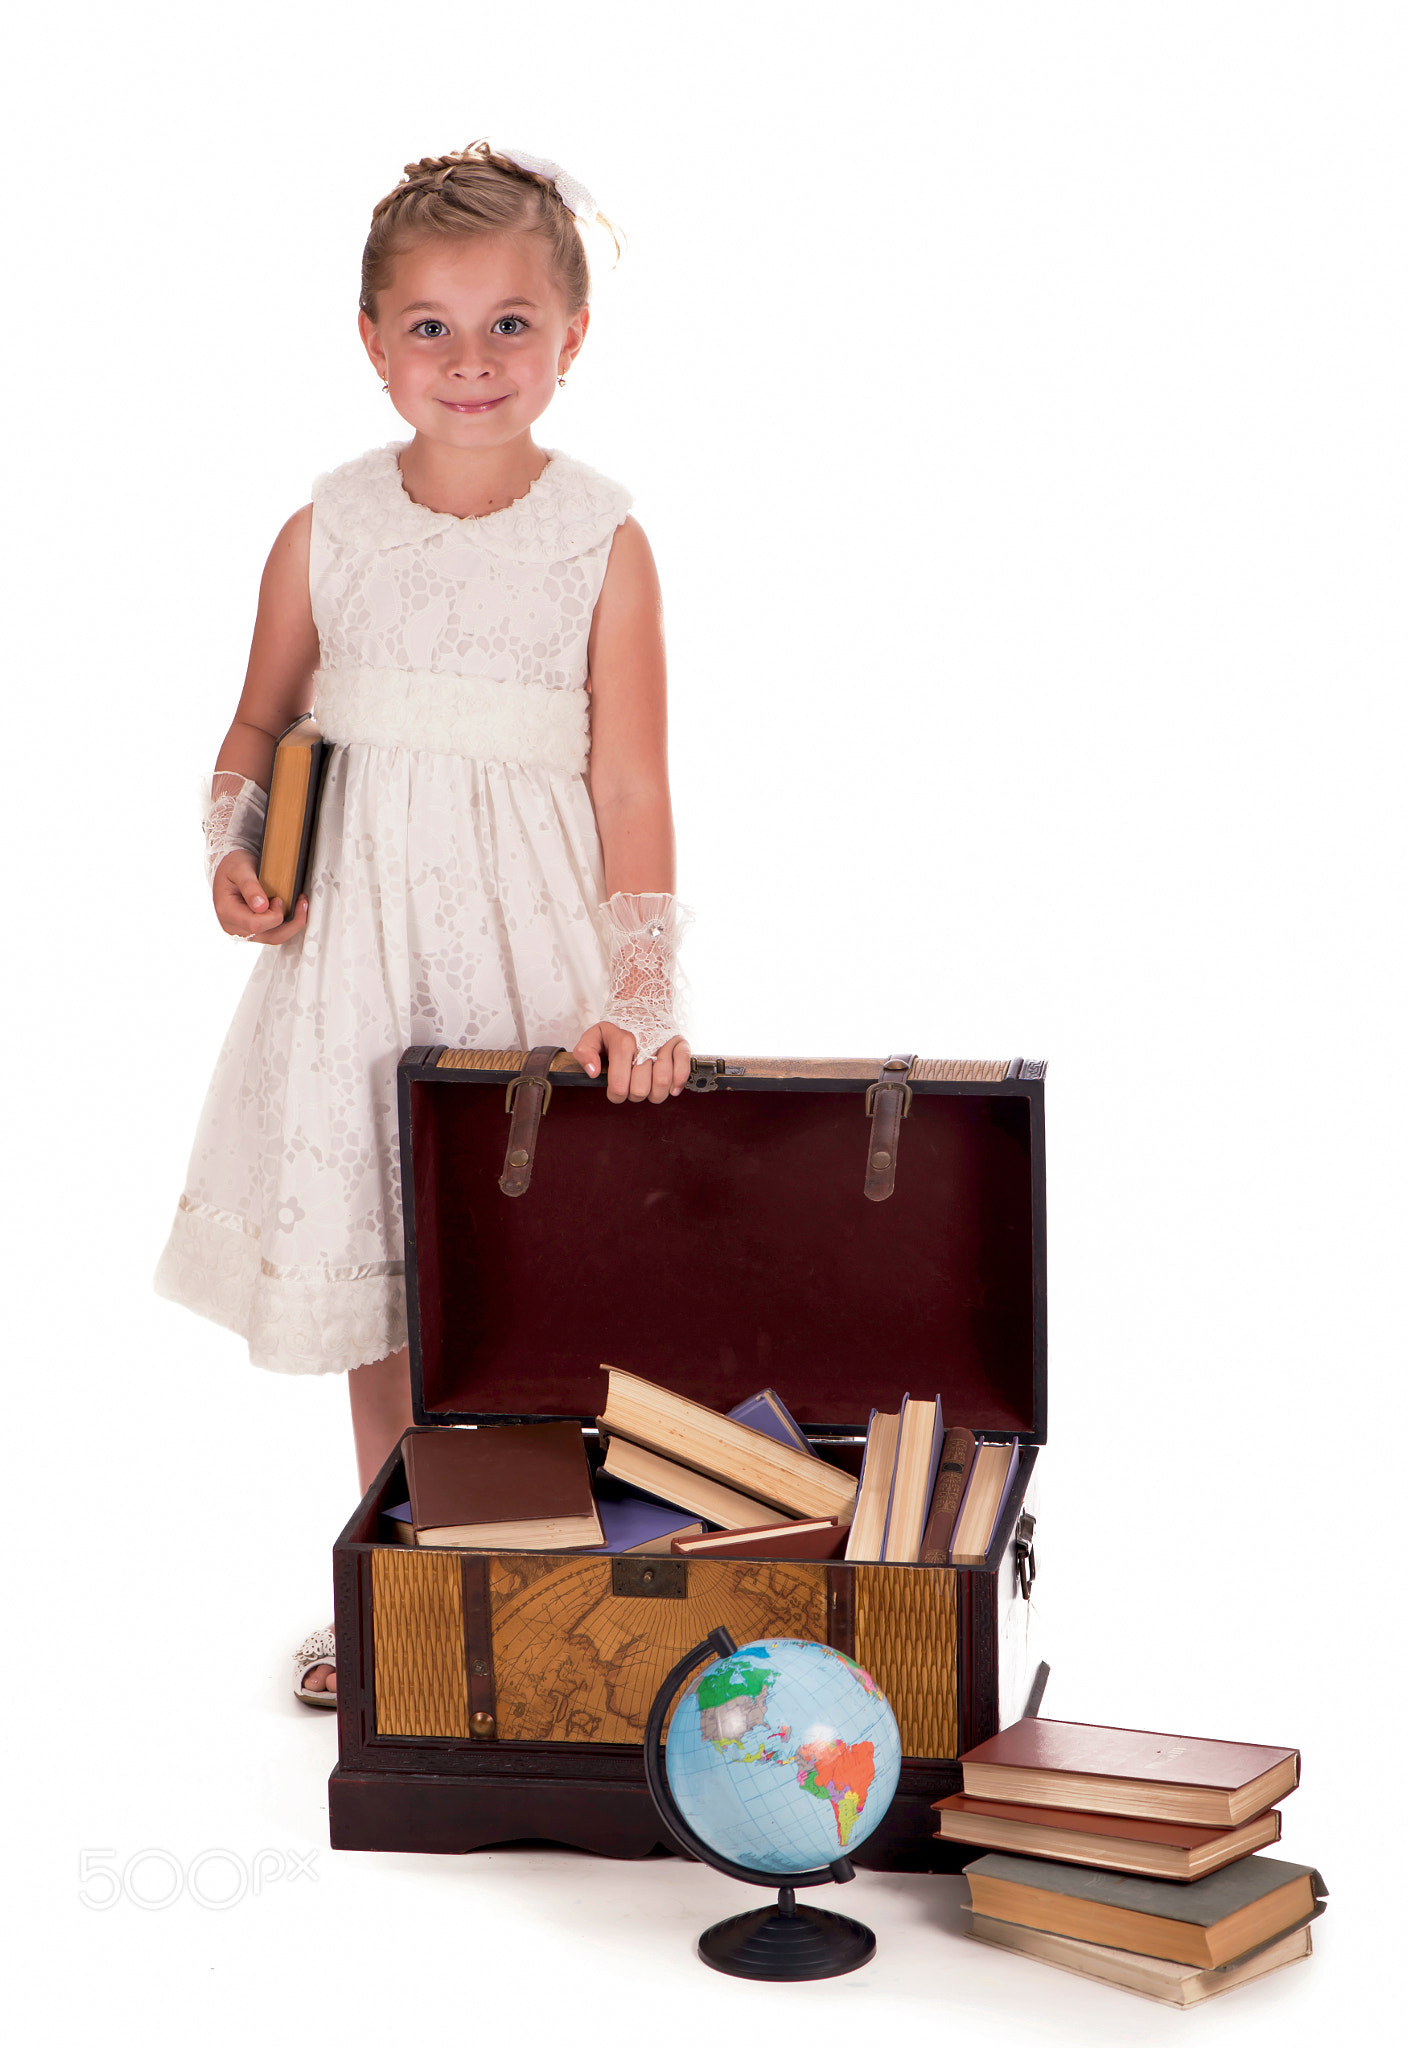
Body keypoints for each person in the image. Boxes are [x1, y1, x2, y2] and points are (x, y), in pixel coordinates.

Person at [154, 142, 690, 1704]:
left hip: (526, 954)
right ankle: (404, 1575)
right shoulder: (327, 528)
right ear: (374, 344)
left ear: (572, 339)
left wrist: (644, 990)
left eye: (511, 323)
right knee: (387, 1274)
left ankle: (536, 1582)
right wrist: (230, 847)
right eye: (433, 328)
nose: (472, 361)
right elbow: (256, 729)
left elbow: (636, 784)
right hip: (358, 958)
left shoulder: (605, 542)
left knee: (518, 1271)